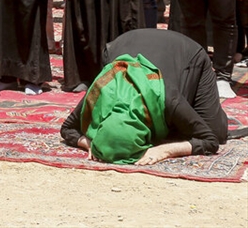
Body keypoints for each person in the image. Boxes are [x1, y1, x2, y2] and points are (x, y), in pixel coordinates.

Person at [60, 29, 229, 164]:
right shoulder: (101, 90)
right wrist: (92, 144)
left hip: (185, 51)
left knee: (217, 132)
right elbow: (67, 128)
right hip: (122, 44)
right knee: (179, 130)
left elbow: (210, 141)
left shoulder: (166, 97)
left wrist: (164, 150)